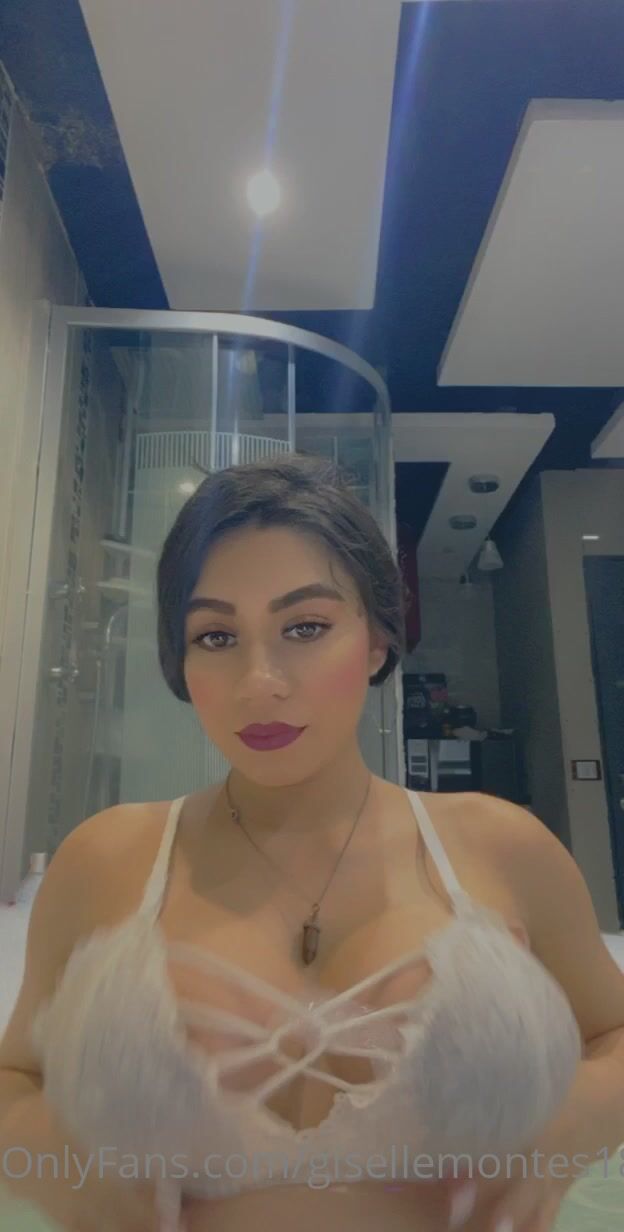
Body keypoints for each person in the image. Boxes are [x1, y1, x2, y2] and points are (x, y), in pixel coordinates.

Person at [1, 452, 624, 1232]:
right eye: (215, 636)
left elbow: (614, 1033)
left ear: (376, 641)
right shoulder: (107, 858)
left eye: (305, 627)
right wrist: (49, 1152)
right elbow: (14, 1075)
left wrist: (573, 1121)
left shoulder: (500, 846)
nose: (260, 681)